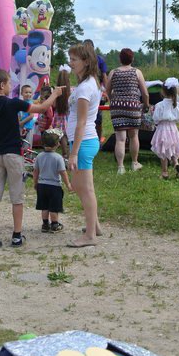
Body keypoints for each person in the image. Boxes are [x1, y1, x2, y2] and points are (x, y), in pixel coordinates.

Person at [0, 68, 62, 248]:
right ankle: (17, 235)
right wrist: (56, 94)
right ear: (2, 85)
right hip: (13, 154)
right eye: (9, 83)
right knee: (17, 196)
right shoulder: (13, 104)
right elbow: (42, 108)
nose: (11, 86)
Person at [66, 42, 103, 247]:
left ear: (86, 61)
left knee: (85, 188)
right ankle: (94, 225)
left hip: (84, 142)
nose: (70, 63)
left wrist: (73, 153)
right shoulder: (88, 83)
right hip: (84, 141)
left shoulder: (84, 88)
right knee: (80, 186)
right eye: (70, 59)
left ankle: (90, 235)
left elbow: (81, 121)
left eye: (74, 59)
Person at [107, 48, 149, 174]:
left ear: (120, 59)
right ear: (132, 59)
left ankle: (120, 167)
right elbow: (144, 93)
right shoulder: (137, 72)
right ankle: (134, 162)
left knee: (120, 139)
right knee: (133, 136)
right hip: (133, 106)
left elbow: (107, 90)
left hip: (117, 107)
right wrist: (146, 105)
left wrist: (112, 101)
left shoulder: (113, 72)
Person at [34, 129, 72, 233]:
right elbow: (63, 172)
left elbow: (36, 171)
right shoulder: (58, 158)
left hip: (42, 185)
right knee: (54, 207)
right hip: (54, 186)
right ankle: (55, 224)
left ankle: (45, 224)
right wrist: (68, 184)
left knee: (44, 206)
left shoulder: (39, 156)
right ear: (57, 145)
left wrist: (35, 183)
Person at [151, 77, 179, 179]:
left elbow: (156, 118)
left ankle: (165, 172)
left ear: (163, 91)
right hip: (173, 128)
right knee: (173, 148)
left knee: (163, 150)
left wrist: (156, 119)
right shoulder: (176, 104)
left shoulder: (160, 105)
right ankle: (176, 164)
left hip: (162, 128)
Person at [83, 39, 108, 141]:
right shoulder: (97, 59)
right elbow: (104, 76)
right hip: (93, 90)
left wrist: (106, 91)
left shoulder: (96, 60)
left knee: (91, 116)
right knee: (95, 117)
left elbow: (104, 76)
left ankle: (92, 138)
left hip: (92, 90)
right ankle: (94, 139)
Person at [51, 65, 71, 159]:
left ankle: (64, 154)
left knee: (62, 136)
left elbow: (54, 105)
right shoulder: (72, 90)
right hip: (69, 116)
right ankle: (70, 154)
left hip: (59, 116)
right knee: (69, 135)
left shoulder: (55, 91)